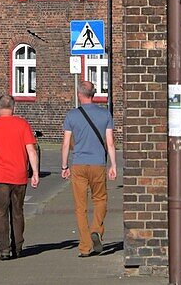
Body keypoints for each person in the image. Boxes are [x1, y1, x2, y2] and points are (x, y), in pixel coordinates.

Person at [0, 94, 39, 261]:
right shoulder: (22, 124)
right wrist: (35, 172)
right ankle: (18, 246)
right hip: (19, 176)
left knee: (1, 212)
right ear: (14, 108)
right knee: (18, 212)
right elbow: (31, 151)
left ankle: (4, 249)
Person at [61, 79, 117, 257]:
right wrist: (113, 165)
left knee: (80, 206)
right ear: (93, 95)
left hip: (78, 164)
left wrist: (64, 165)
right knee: (100, 200)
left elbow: (65, 144)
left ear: (79, 95)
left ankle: (85, 246)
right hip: (98, 164)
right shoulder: (105, 114)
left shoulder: (71, 115)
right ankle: (96, 230)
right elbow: (110, 143)